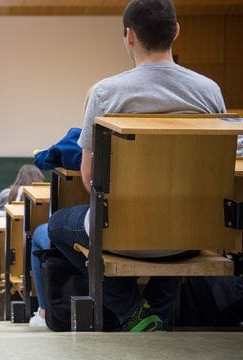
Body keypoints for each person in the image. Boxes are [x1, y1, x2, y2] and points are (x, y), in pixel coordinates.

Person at [48, 0, 226, 332]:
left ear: (129, 36)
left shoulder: (106, 93)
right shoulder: (209, 92)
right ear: (176, 30)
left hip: (122, 235)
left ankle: (133, 310)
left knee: (57, 226)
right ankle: (158, 310)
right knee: (174, 214)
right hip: (191, 234)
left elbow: (90, 179)